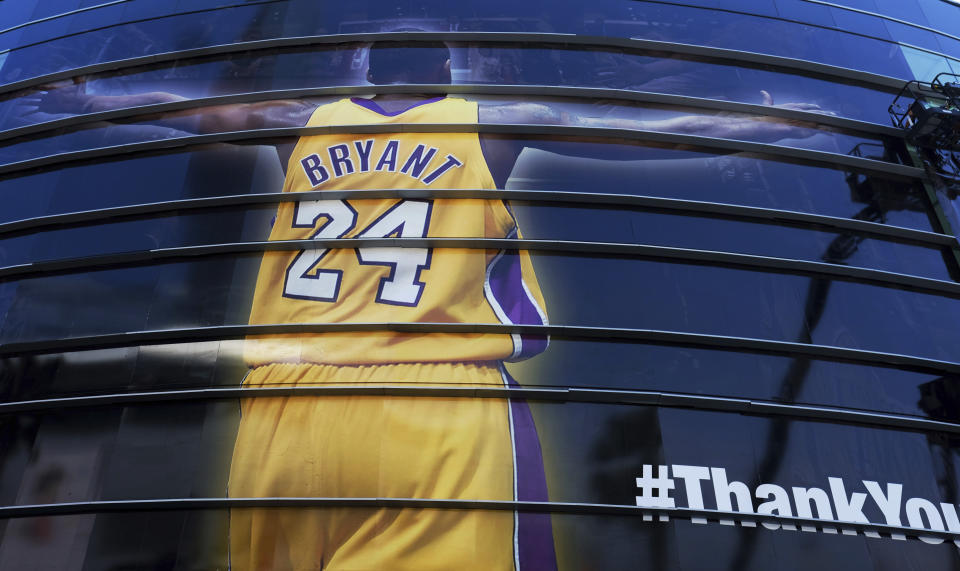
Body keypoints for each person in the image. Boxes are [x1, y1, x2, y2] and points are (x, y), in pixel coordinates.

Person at [29, 40, 826, 570]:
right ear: (446, 74)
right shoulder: (491, 122)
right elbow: (643, 132)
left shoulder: (302, 120)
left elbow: (183, 110)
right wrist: (762, 122)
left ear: (367, 73)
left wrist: (83, 95)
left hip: (282, 411)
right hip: (430, 405)